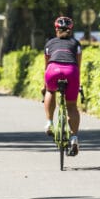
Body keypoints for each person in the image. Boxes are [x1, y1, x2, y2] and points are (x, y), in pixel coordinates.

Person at [43, 16, 82, 155]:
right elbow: (78, 64)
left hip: (53, 70)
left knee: (50, 91)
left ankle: (49, 122)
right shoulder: (76, 44)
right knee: (71, 105)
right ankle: (74, 137)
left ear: (56, 29)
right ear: (71, 30)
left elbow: (46, 64)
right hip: (71, 71)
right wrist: (79, 84)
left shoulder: (49, 43)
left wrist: (45, 86)